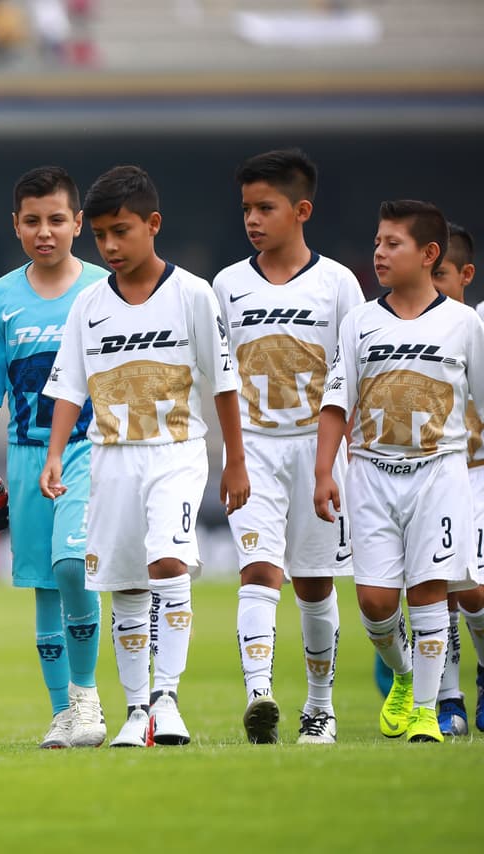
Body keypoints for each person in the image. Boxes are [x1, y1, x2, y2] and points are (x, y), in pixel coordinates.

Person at [40, 165, 249, 748]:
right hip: (109, 456)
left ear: (153, 225)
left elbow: (224, 382)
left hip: (175, 451)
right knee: (126, 584)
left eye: (121, 231)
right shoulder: (88, 305)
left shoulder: (193, 294)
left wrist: (235, 459)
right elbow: (69, 385)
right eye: (101, 234)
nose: (108, 246)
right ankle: (135, 712)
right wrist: (56, 454)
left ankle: (167, 699)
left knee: (167, 564)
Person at [314, 200, 484, 744]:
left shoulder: (464, 324)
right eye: (377, 242)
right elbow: (337, 401)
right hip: (369, 474)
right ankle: (407, 679)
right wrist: (324, 472)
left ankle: (428, 716)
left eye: (393, 244)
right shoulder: (359, 321)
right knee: (376, 602)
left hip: (440, 472)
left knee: (431, 590)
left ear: (428, 254)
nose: (379, 253)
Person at [211, 149, 364, 745]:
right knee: (258, 572)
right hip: (253, 450)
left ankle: (320, 708)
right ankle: (259, 695)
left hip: (318, 452)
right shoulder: (227, 284)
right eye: (246, 208)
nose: (252, 218)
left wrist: (338, 461)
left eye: (265, 207)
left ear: (301, 210)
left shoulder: (338, 284)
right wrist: (232, 456)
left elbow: (353, 374)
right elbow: (221, 376)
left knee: (314, 583)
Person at [0, 166, 108, 749]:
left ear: (77, 224)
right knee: (45, 586)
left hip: (86, 452)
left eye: (57, 220)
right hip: (23, 459)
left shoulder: (102, 288)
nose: (45, 231)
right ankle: (62, 714)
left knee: (74, 565)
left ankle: (88, 697)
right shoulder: (1, 295)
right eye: (32, 221)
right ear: (15, 226)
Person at [427, 222, 484, 735]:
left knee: (475, 591)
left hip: (478, 475)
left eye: (439, 274)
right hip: (430, 473)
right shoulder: (403, 323)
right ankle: (449, 698)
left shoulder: (477, 325)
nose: (430, 283)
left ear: (465, 274)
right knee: (436, 587)